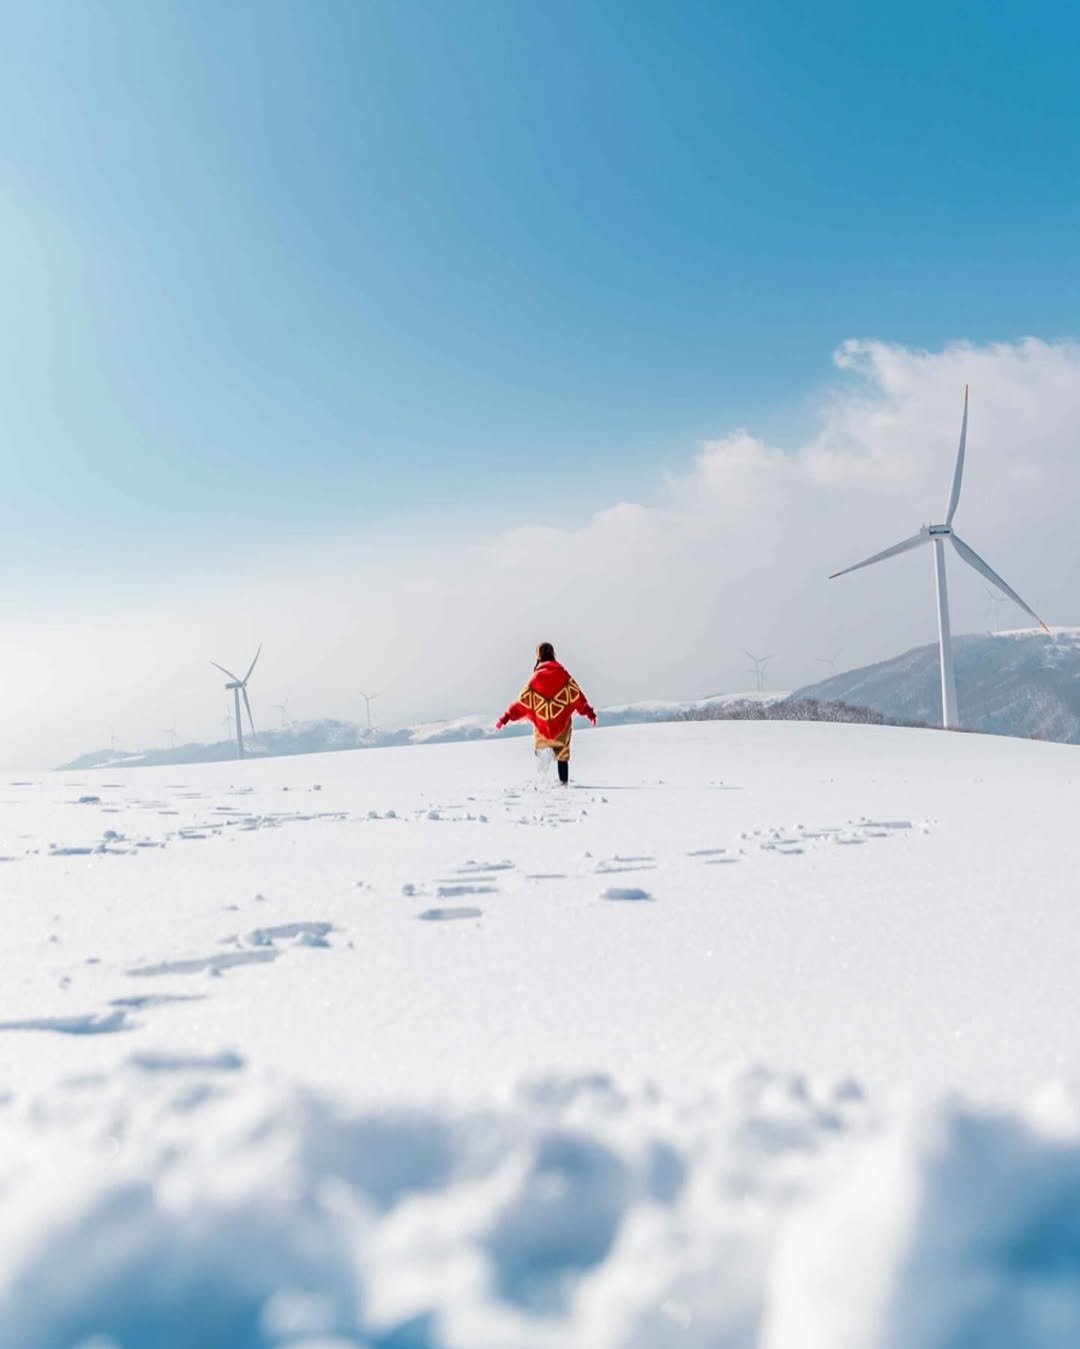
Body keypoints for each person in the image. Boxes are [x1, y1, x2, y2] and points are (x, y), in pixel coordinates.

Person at [496, 642, 596, 785]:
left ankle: (544, 751)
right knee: (562, 754)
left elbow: (521, 703)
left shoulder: (535, 679)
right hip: (561, 724)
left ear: (538, 656)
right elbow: (577, 697)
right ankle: (563, 783)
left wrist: (505, 717)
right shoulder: (563, 675)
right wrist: (589, 713)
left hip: (543, 726)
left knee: (542, 742)